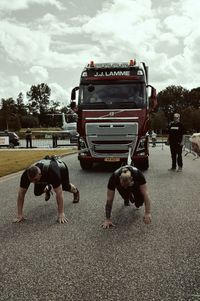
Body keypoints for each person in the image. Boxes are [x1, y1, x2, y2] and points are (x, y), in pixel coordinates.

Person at [13, 156, 80, 224]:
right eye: (31, 181)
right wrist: (19, 215)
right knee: (37, 192)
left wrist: (61, 213)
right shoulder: (26, 175)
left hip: (61, 168)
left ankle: (76, 191)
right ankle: (48, 188)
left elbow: (59, 193)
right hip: (45, 174)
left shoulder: (53, 173)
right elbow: (21, 194)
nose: (33, 182)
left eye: (35, 180)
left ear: (40, 174)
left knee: (65, 187)